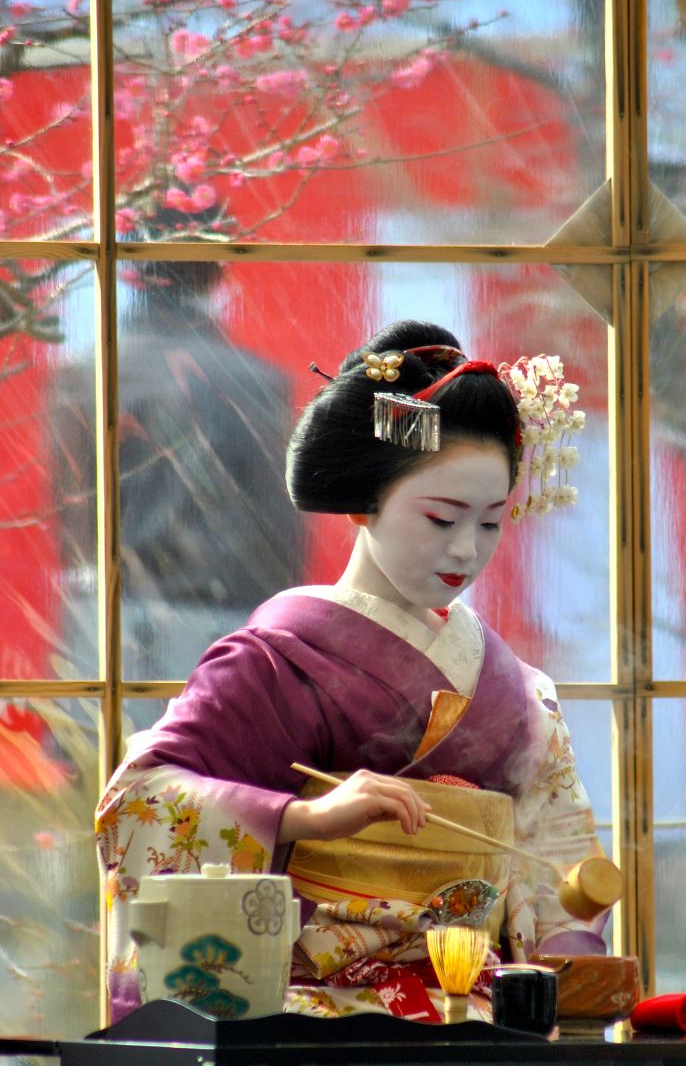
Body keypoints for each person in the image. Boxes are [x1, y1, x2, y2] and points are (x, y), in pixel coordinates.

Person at [96, 320, 607, 1025]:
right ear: (366, 500)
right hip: (317, 1005)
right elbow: (136, 801)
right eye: (441, 516)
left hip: (481, 1009)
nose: (467, 548)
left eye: (490, 523)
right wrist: (303, 819)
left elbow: (561, 873)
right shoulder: (277, 661)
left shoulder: (521, 694)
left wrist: (566, 964)